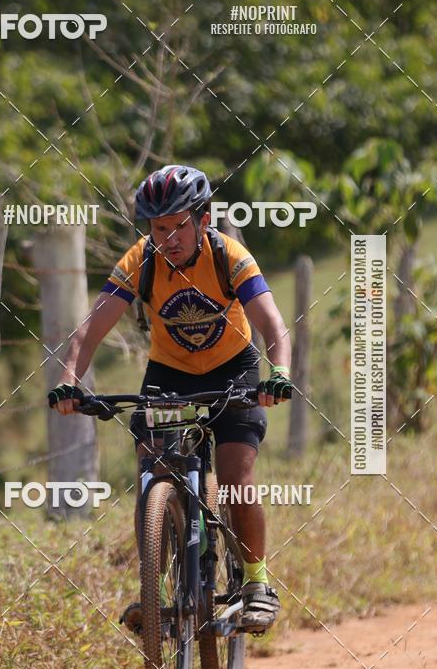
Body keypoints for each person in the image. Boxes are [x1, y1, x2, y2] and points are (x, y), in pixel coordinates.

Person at [49, 164, 292, 633]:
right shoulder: (140, 261)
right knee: (152, 476)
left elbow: (273, 325)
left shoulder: (230, 257)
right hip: (170, 375)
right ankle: (155, 593)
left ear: (203, 220)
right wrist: (68, 380)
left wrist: (278, 373)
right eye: (158, 228)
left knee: (236, 475)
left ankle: (257, 583)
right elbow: (89, 331)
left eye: (179, 226)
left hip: (233, 369)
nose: (168, 238)